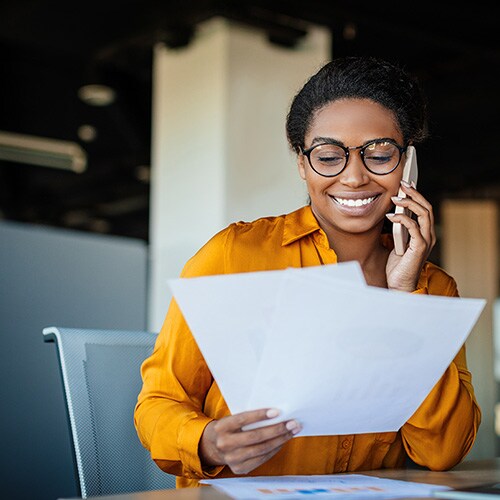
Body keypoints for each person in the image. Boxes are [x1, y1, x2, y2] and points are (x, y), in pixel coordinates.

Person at [134, 56, 481, 488]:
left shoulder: (433, 288)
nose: (354, 177)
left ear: (407, 164)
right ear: (302, 164)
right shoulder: (232, 256)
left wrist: (404, 298)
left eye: (379, 154)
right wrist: (207, 441)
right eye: (330, 156)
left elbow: (441, 451)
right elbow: (160, 402)